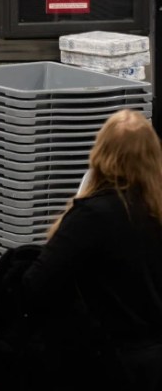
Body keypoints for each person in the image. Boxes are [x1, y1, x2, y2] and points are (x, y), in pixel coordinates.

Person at [18, 109, 162, 390]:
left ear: (101, 153)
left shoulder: (93, 216)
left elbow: (35, 285)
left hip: (104, 365)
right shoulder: (155, 211)